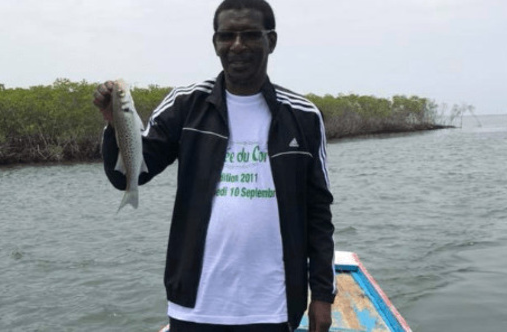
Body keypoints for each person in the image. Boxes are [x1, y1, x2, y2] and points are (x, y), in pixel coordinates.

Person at [92, 0, 335, 331]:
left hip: (272, 305)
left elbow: (318, 212)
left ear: (271, 41)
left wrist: (322, 295)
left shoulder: (303, 116)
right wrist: (113, 124)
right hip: (195, 305)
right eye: (227, 35)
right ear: (215, 42)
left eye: (250, 34)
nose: (237, 45)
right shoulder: (185, 105)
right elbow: (129, 176)